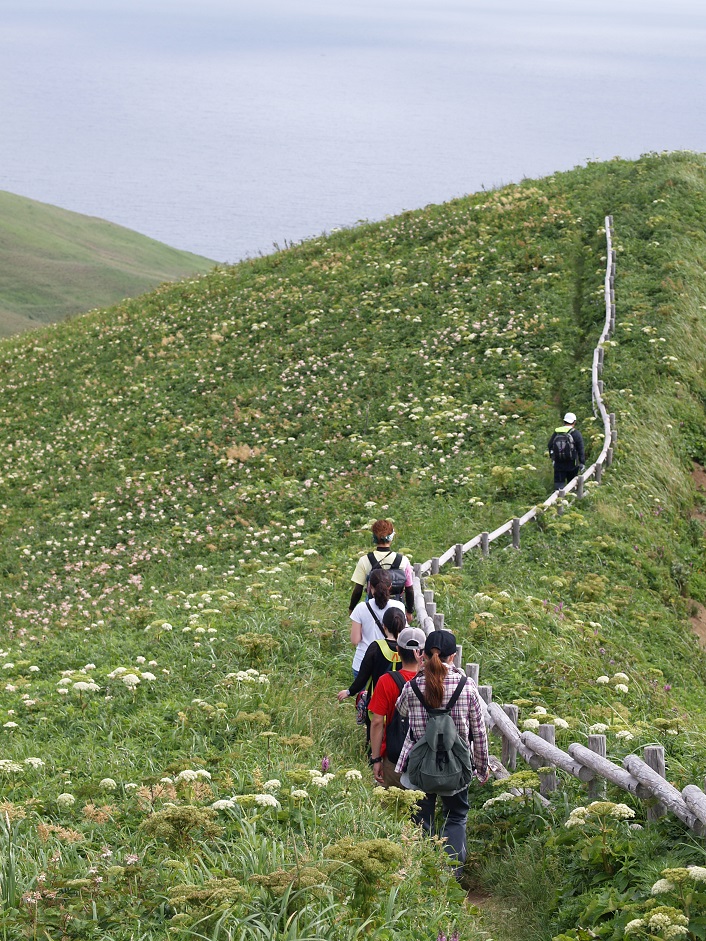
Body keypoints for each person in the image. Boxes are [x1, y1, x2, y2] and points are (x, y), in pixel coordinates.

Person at [394, 630, 489, 878]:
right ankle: (451, 876)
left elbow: (400, 709)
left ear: (422, 655)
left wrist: (419, 674)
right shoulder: (467, 687)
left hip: (419, 767)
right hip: (455, 767)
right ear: (453, 656)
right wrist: (481, 767)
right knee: (455, 817)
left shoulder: (413, 685)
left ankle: (421, 874)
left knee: (421, 821)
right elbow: (479, 732)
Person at [368, 625, 425, 788]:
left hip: (395, 755)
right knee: (422, 808)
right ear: (422, 652)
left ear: (398, 650)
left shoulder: (386, 681)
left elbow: (377, 721)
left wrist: (376, 758)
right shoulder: (432, 681)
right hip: (425, 758)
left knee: (392, 807)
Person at [349, 520, 415, 623]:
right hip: (397, 610)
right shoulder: (403, 560)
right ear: (392, 537)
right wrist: (409, 611)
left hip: (372, 609)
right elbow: (409, 589)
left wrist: (351, 609)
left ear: (374, 538)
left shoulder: (365, 560)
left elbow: (358, 590)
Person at [337, 607, 405, 705]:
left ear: (384, 626)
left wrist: (349, 692)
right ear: (403, 626)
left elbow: (363, 675)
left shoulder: (376, 647)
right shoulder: (408, 648)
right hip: (402, 701)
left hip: (378, 701)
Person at [348, 569, 405, 678]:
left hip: (362, 663)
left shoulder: (361, 608)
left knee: (364, 695)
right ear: (390, 586)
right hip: (389, 663)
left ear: (370, 586)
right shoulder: (399, 607)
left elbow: (355, 640)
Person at [548, 411, 585, 491]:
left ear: (564, 421)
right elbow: (580, 449)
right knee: (572, 484)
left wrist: (553, 458)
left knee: (559, 484)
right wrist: (582, 463)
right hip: (572, 464)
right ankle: (571, 499)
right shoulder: (576, 433)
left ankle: (558, 500)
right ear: (574, 422)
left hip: (558, 463)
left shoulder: (557, 432)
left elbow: (550, 445)